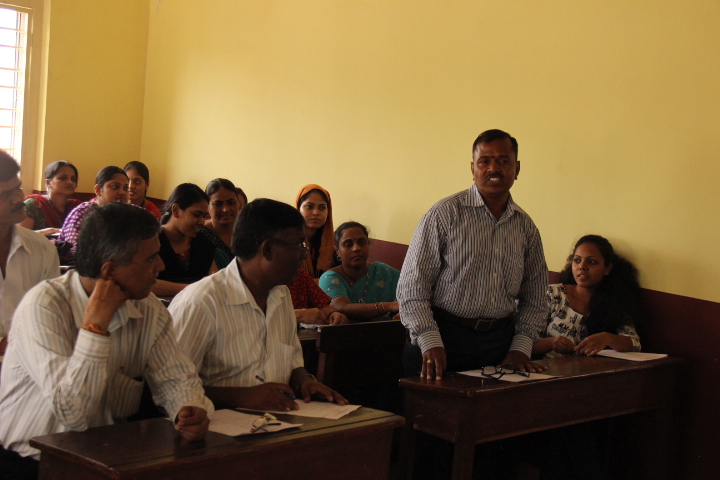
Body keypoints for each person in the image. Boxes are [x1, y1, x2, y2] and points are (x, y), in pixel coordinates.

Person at [0, 203, 213, 478]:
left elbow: (176, 379)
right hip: (29, 464)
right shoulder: (44, 306)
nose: (161, 266)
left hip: (103, 460)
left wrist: (189, 408)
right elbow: (74, 414)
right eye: (151, 259)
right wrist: (95, 328)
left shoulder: (148, 308)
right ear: (110, 271)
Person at [169, 198, 347, 412]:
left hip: (276, 421)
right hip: (217, 426)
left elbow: (291, 359)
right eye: (299, 246)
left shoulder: (280, 294)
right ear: (268, 249)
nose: (304, 256)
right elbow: (171, 385)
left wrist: (305, 381)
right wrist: (240, 397)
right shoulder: (200, 302)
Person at [398, 129, 549, 381]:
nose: (494, 168)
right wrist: (429, 339)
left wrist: (521, 347)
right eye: (484, 161)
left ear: (517, 168)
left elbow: (535, 296)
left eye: (503, 161)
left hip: (498, 344)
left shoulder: (526, 227)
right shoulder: (444, 214)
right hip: (441, 338)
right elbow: (412, 287)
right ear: (472, 168)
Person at [532, 235, 642, 358]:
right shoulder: (553, 294)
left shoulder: (615, 301)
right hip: (548, 367)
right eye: (577, 260)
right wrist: (551, 343)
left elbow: (634, 344)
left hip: (591, 368)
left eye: (592, 262)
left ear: (607, 268)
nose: (582, 266)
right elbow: (524, 342)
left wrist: (607, 338)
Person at [0, 152, 60, 357]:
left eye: (18, 188)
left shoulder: (41, 249)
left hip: (31, 360)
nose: (19, 199)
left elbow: (52, 313)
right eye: (4, 195)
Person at [319, 221, 400, 322]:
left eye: (361, 243)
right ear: (338, 251)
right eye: (348, 244)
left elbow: (412, 289)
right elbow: (341, 307)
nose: (356, 248)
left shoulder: (383, 272)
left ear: (369, 245)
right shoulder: (330, 278)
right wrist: (388, 306)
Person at [153, 183, 217, 297]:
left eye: (204, 216)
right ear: (176, 210)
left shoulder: (203, 242)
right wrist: (193, 289)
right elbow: (144, 283)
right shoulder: (151, 240)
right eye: (196, 215)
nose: (202, 221)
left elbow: (213, 280)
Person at [57, 166, 129, 262]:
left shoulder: (128, 214)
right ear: (98, 190)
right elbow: (76, 251)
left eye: (126, 188)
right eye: (115, 187)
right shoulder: (83, 212)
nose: (122, 192)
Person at [18, 160, 81, 236]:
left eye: (73, 179)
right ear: (48, 182)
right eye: (63, 178)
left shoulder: (77, 207)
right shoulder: (33, 205)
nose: (70, 182)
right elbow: (20, 237)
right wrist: (42, 233)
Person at [198, 178, 243, 269]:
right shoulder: (200, 236)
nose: (225, 209)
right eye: (218, 204)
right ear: (207, 206)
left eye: (231, 202)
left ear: (239, 204)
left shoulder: (246, 232)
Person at [295, 184, 335, 278]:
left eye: (322, 208)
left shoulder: (335, 243)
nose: (316, 213)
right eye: (309, 207)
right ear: (298, 208)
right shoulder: (287, 242)